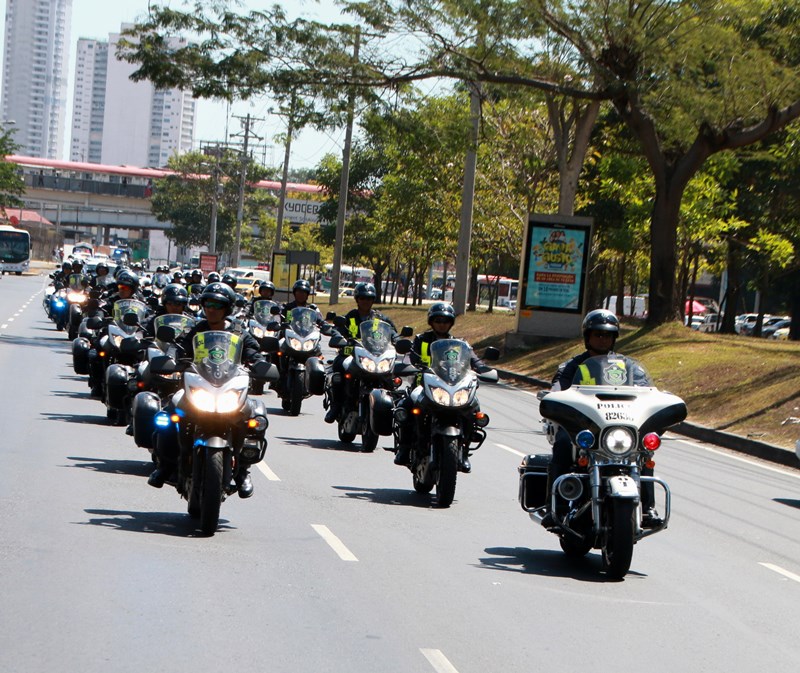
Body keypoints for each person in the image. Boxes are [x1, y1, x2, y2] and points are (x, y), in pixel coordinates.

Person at [543, 308, 660, 528]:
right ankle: (556, 507)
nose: (602, 339)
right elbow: (557, 390)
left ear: (614, 338)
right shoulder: (571, 366)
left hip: (618, 427)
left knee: (644, 449)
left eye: (607, 335)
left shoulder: (631, 367)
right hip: (584, 427)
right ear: (587, 337)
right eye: (598, 334)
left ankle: (648, 508)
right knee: (563, 443)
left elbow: (647, 392)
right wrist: (553, 398)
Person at [147, 282, 265, 497]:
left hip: (228, 388)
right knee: (168, 414)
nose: (211, 309)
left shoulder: (239, 331)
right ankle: (165, 466)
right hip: (199, 386)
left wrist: (259, 364)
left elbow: (253, 352)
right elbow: (178, 347)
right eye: (208, 304)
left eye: (217, 305)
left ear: (227, 308)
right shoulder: (196, 330)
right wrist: (172, 360)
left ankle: (242, 471)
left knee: (255, 415)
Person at [393, 302, 490, 470]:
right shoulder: (421, 340)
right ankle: (404, 448)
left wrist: (484, 369)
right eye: (438, 320)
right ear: (431, 322)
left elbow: (473, 359)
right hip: (424, 384)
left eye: (446, 321)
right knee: (406, 406)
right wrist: (409, 366)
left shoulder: (459, 343)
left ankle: (464, 451)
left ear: (451, 323)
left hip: (452, 386)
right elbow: (409, 358)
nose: (442, 324)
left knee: (473, 406)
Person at [325, 282, 398, 423]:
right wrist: (338, 337)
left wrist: (397, 339)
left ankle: (391, 410)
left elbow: (392, 332)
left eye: (369, 298)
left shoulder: (379, 318)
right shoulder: (350, 317)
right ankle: (336, 406)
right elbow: (337, 330)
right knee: (338, 368)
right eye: (362, 298)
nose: (366, 301)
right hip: (351, 355)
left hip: (374, 356)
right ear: (357, 299)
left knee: (391, 376)